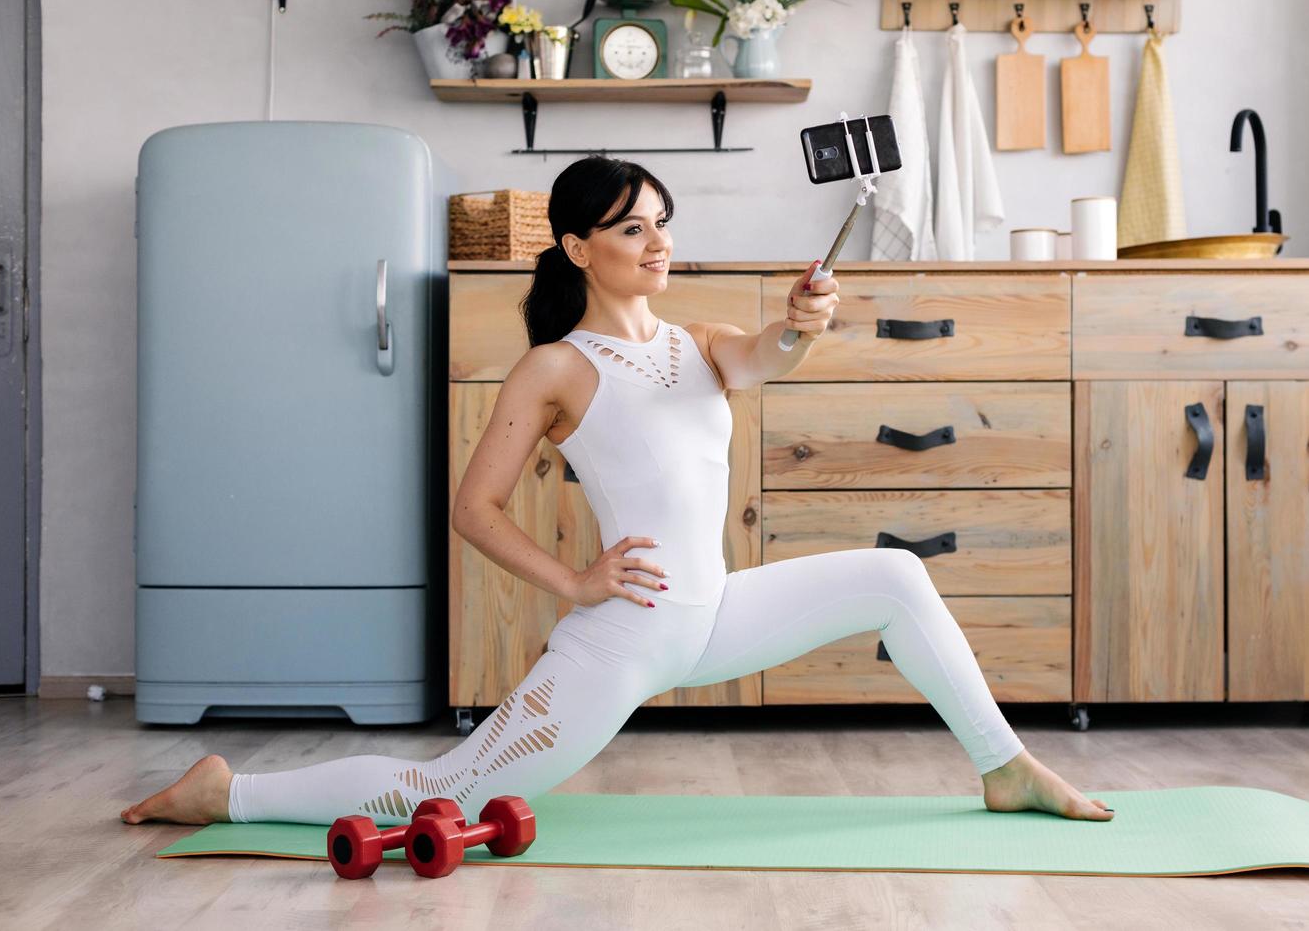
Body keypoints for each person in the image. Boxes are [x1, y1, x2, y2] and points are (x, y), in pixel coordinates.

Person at [122, 156, 1113, 827]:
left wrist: (806, 318)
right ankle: (231, 791)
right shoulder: (555, 366)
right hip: (625, 634)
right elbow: (473, 507)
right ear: (575, 247)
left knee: (897, 574)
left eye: (662, 225)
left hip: (715, 613)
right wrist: (576, 580)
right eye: (631, 227)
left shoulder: (702, 344)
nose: (657, 242)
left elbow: (771, 354)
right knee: (445, 790)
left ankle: (1004, 764)